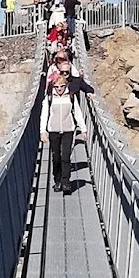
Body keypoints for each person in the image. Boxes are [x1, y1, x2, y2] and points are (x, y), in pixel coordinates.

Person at [43, 62, 92, 192]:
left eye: (62, 86)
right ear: (53, 86)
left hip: (68, 130)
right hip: (53, 130)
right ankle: (57, 180)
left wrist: (83, 129)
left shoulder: (70, 96)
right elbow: (44, 114)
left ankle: (66, 182)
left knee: (65, 156)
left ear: (66, 85)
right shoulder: (49, 96)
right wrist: (43, 131)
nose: (59, 89)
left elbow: (77, 112)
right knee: (56, 157)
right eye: (57, 86)